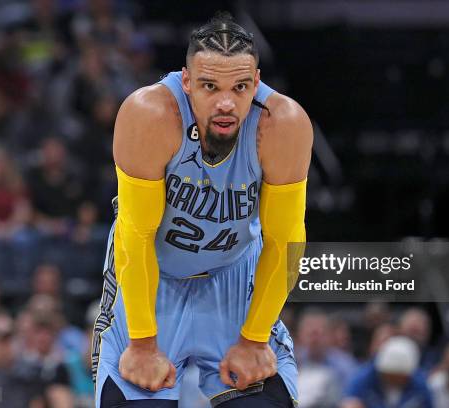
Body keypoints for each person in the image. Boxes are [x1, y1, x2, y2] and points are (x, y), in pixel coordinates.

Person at [91, 11, 312, 408]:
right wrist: (142, 342)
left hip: (234, 276)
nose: (227, 102)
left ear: (256, 83)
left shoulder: (282, 124)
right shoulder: (151, 114)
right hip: (151, 275)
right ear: (187, 82)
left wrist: (254, 338)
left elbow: (286, 239)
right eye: (210, 86)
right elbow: (135, 234)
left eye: (240, 87)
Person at [341, 336, 433, 408]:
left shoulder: (420, 385)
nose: (393, 379)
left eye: (398, 375)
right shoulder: (364, 378)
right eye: (390, 374)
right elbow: (349, 401)